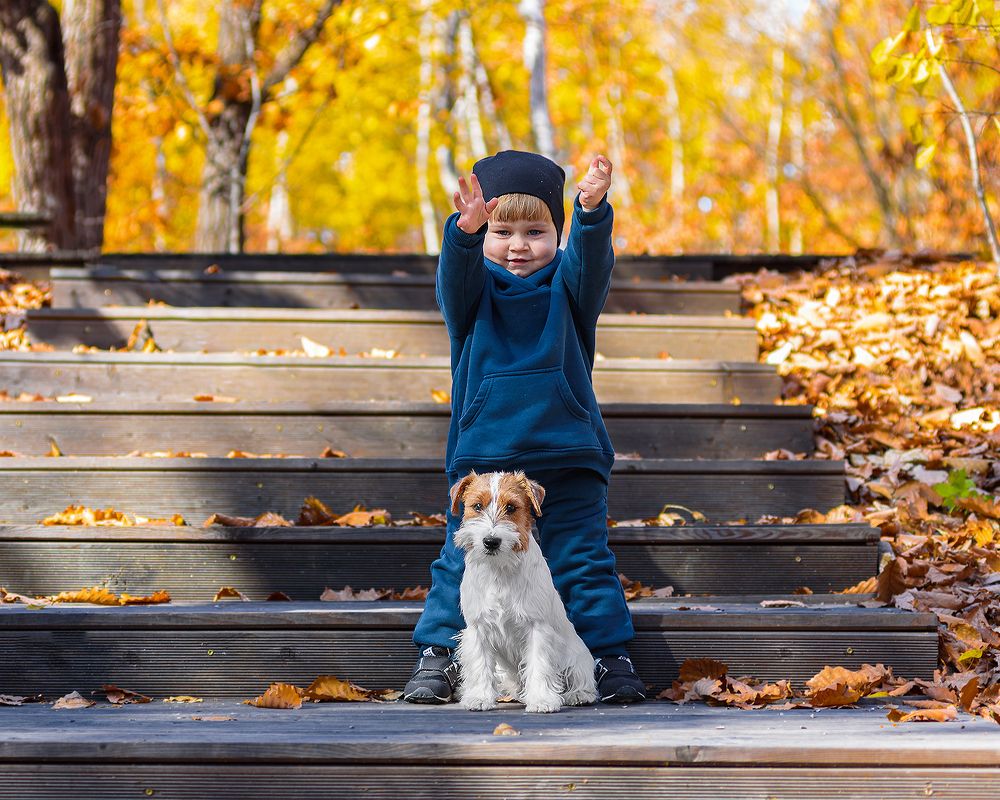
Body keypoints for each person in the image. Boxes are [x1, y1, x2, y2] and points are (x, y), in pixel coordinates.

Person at [403, 149, 646, 705]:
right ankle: (441, 653)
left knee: (581, 559)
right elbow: (454, 279)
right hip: (485, 457)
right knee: (459, 561)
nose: (517, 245)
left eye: (536, 231)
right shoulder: (473, 295)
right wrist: (462, 236)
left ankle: (608, 656)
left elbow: (590, 264)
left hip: (569, 453)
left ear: (556, 237)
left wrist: (589, 212)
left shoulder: (569, 288)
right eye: (501, 230)